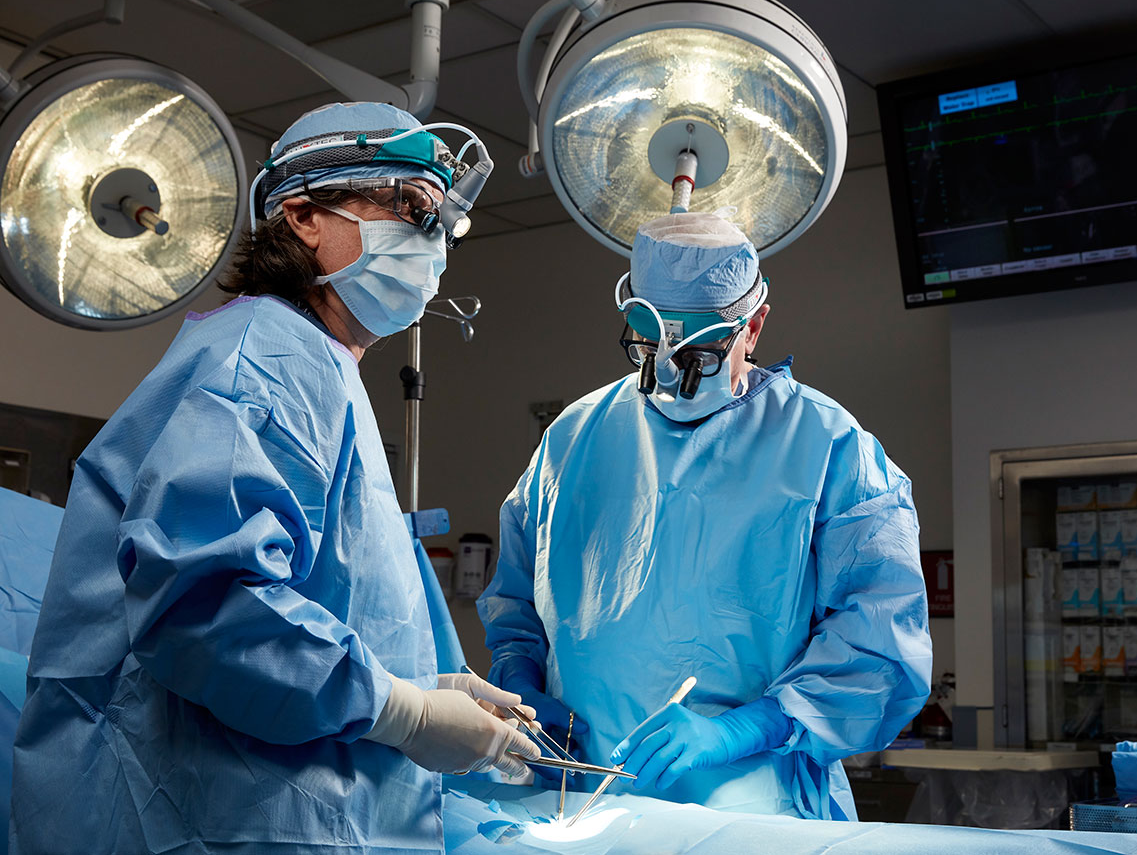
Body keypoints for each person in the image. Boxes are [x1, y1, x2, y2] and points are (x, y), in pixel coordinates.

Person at [9, 102, 539, 854]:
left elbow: (320, 600)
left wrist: (426, 684)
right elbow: (208, 607)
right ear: (303, 215)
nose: (434, 244)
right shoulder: (266, 355)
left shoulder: (319, 368)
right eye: (412, 207)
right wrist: (404, 711)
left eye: (442, 223)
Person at [478, 211, 932, 821]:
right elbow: (516, 604)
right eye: (651, 341)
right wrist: (522, 686)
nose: (670, 369)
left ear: (754, 326)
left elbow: (880, 645)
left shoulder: (829, 447)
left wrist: (745, 730)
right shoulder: (572, 439)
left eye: (701, 348)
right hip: (579, 798)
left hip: (751, 807)